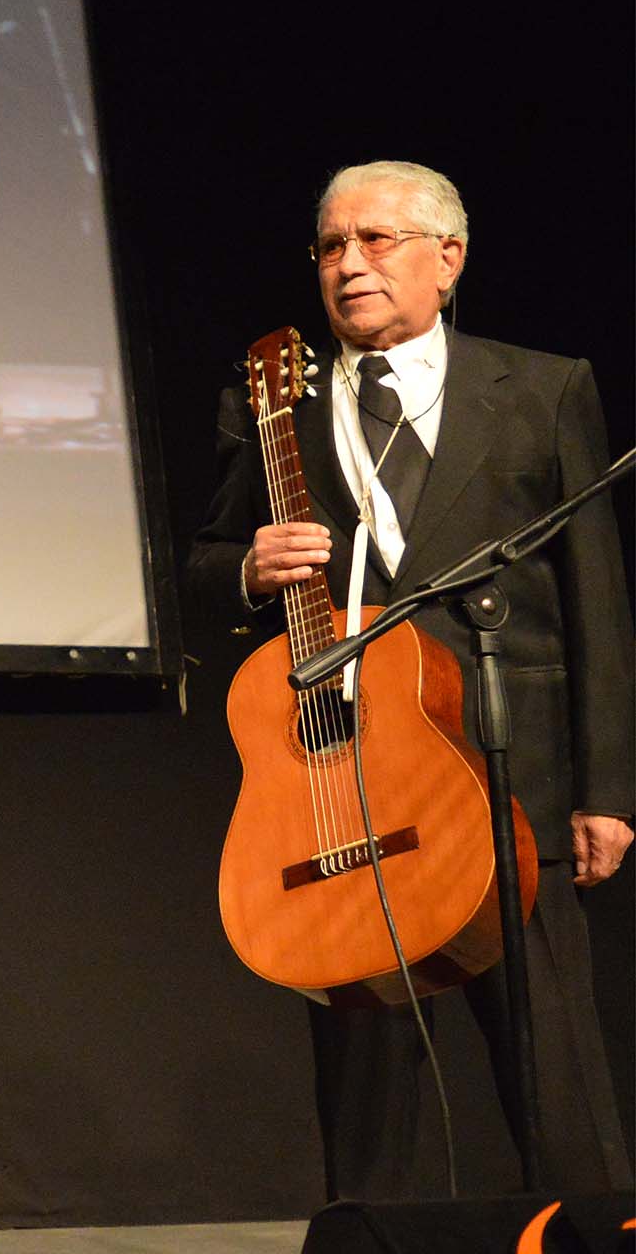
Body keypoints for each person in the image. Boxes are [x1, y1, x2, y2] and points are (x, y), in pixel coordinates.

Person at [187, 159, 633, 1198]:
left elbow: (596, 598)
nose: (347, 266)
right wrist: (245, 566)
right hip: (346, 793)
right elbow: (204, 565)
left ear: (447, 258)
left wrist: (606, 790)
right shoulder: (274, 410)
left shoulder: (540, 388)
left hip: (504, 775)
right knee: (365, 1108)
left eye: (374, 240)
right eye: (329, 246)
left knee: (554, 1083)